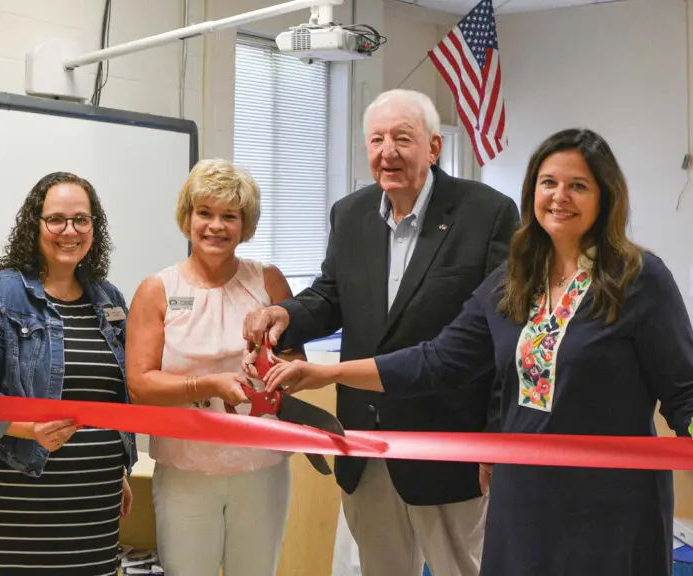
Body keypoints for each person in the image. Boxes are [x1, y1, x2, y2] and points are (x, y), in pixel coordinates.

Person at [260, 128, 693, 576]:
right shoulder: (515, 280)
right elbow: (439, 360)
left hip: (612, 502)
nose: (560, 197)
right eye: (548, 183)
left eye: (578, 185)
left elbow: (684, 394)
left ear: (606, 197)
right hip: (522, 494)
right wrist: (328, 374)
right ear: (532, 192)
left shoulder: (639, 280)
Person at [243, 88, 520, 576]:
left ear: (434, 147)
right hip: (365, 443)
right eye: (376, 140)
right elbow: (330, 296)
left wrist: (494, 437)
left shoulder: (488, 214)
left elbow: (502, 337)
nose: (387, 152)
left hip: (449, 447)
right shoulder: (350, 214)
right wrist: (286, 314)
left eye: (402, 138)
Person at [0, 171, 137, 575]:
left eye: (82, 220)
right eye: (57, 220)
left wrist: (117, 464)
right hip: (4, 509)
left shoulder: (110, 300)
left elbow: (111, 398)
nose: (70, 230)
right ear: (35, 225)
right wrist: (26, 425)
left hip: (91, 513)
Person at [125, 158, 299, 576]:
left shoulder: (269, 282)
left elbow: (296, 367)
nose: (216, 226)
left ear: (245, 224)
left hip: (263, 469)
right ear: (187, 218)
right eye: (205, 213)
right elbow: (139, 385)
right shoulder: (157, 290)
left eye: (229, 216)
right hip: (185, 470)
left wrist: (270, 369)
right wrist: (208, 384)